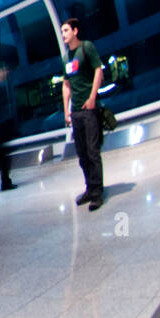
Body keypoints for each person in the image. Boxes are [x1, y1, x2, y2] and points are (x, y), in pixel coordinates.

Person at [61, 18, 105, 210]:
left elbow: (98, 71)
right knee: (82, 153)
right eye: (62, 31)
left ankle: (97, 193)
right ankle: (90, 187)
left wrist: (92, 97)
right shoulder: (65, 58)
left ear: (75, 31)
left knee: (92, 151)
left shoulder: (86, 47)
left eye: (66, 31)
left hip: (89, 109)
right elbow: (66, 84)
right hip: (76, 112)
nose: (63, 35)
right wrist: (66, 110)